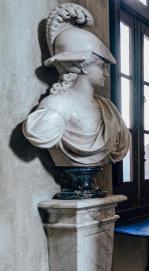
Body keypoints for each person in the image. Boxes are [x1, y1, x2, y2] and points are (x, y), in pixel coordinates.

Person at [23, 3, 130, 167]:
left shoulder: (108, 108)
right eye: (101, 65)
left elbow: (121, 144)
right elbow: (40, 133)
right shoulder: (58, 106)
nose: (107, 74)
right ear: (81, 65)